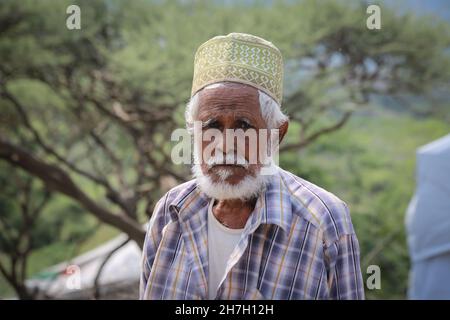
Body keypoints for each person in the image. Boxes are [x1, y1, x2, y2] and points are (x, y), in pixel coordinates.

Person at [139, 33, 364, 300]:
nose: (225, 145)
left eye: (243, 126)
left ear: (275, 135)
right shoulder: (170, 212)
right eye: (211, 126)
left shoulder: (324, 221)